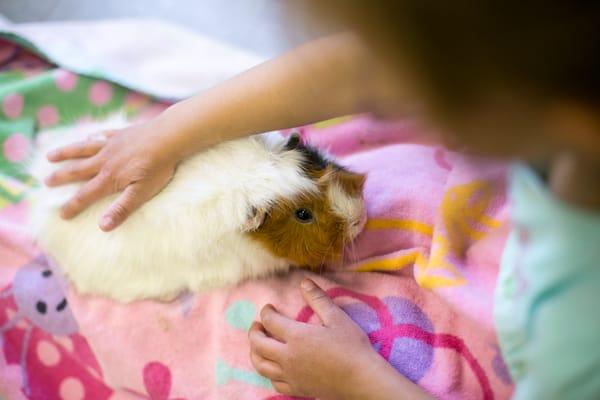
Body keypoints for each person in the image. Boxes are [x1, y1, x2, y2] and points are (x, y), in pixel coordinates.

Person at [45, 2, 600, 399]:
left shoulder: (576, 337)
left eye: (426, 94)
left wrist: (358, 383)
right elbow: (359, 68)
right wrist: (175, 128)